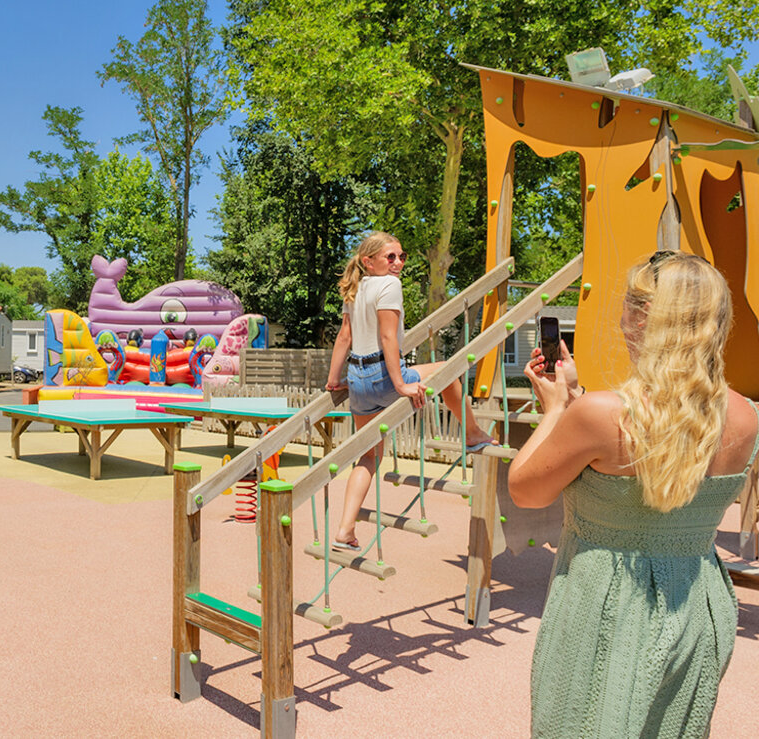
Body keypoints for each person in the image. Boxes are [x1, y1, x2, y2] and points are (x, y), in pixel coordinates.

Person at [509, 251, 757, 737]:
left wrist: (558, 409)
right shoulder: (746, 415)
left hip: (607, 606)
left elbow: (525, 490)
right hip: (699, 601)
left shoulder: (602, 415)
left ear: (643, 317)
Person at [324, 231, 497, 550]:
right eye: (390, 257)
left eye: (402, 256)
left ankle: (344, 530)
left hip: (358, 380)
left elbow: (344, 337)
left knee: (369, 455)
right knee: (448, 371)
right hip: (384, 374)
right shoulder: (389, 285)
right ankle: (471, 432)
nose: (398, 263)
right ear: (369, 261)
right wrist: (401, 383)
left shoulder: (355, 288)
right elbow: (389, 338)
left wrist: (335, 380)